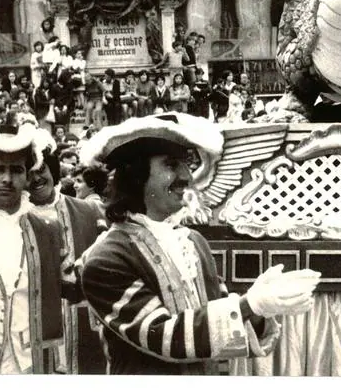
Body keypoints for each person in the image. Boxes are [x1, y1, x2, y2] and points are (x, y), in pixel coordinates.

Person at [78, 114, 319, 374]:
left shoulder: (194, 243)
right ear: (136, 175)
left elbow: (224, 337)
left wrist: (262, 309)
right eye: (172, 165)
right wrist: (250, 304)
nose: (188, 177)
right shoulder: (106, 258)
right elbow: (164, 337)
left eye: (187, 164)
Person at [0, 120, 77, 373]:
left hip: (35, 367)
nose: (7, 179)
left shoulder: (49, 230)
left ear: (27, 175)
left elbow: (75, 288)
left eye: (16, 170)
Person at [28, 131, 108, 374]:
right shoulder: (12, 222)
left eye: (41, 169)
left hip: (85, 339)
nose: (36, 178)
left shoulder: (90, 213)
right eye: (28, 172)